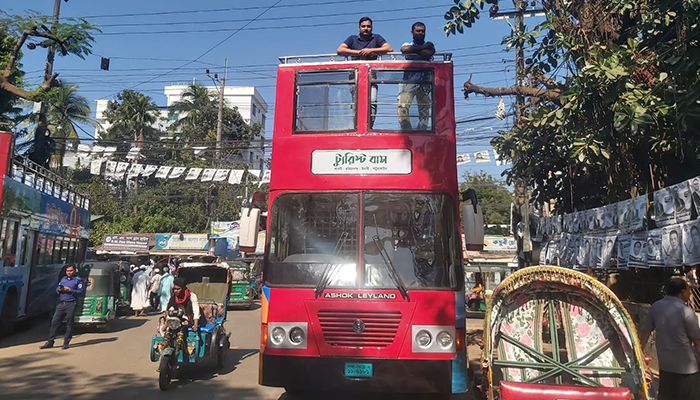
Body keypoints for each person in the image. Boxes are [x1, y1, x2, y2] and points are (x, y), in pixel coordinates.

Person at [639, 278, 700, 400]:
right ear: (682, 292)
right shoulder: (687, 312)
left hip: (665, 366)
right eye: (688, 290)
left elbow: (644, 333)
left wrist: (638, 355)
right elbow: (698, 342)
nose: (689, 293)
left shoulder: (656, 307)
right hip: (687, 369)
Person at [337, 17, 393, 129]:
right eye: (363, 26)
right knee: (356, 103)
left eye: (368, 26)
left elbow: (389, 48)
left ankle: (369, 126)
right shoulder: (352, 39)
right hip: (355, 77)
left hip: (372, 77)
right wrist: (359, 53)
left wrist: (371, 50)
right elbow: (340, 50)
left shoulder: (376, 38)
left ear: (372, 28)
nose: (366, 28)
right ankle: (357, 126)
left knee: (372, 101)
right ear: (359, 28)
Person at [397, 22, 435, 131]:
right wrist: (422, 48)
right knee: (403, 106)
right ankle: (407, 130)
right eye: (418, 31)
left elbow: (429, 52)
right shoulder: (407, 44)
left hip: (426, 82)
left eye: (423, 31)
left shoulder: (430, 44)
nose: (421, 33)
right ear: (412, 32)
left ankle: (422, 130)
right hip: (409, 81)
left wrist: (414, 51)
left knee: (425, 109)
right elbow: (404, 50)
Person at [40, 265, 84, 350]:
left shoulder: (78, 280)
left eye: (71, 271)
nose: (69, 272)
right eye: (67, 271)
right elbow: (57, 289)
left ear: (74, 271)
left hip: (71, 304)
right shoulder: (63, 279)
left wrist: (70, 290)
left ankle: (66, 342)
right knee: (54, 322)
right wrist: (59, 290)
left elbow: (80, 292)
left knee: (69, 323)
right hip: (61, 304)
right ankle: (50, 341)